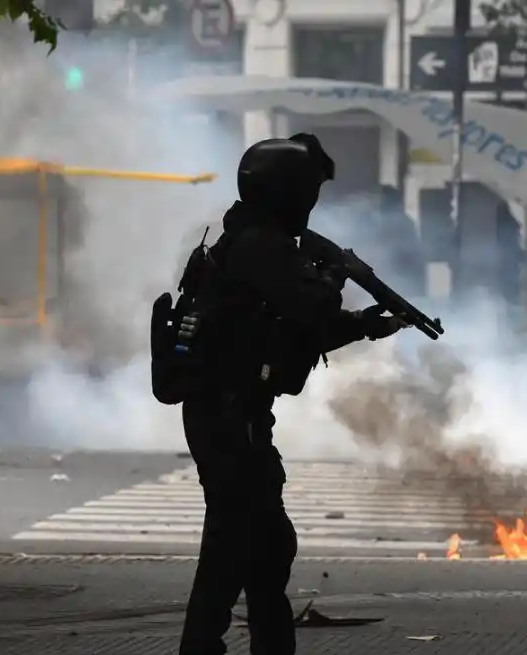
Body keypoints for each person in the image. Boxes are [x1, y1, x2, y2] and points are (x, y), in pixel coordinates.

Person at [151, 134, 408, 655]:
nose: (311, 204)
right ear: (288, 194)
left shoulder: (255, 243)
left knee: (264, 549)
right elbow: (310, 306)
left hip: (233, 415)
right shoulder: (259, 247)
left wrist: (365, 324)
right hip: (228, 419)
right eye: (307, 193)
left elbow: (294, 328)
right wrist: (337, 272)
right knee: (234, 548)